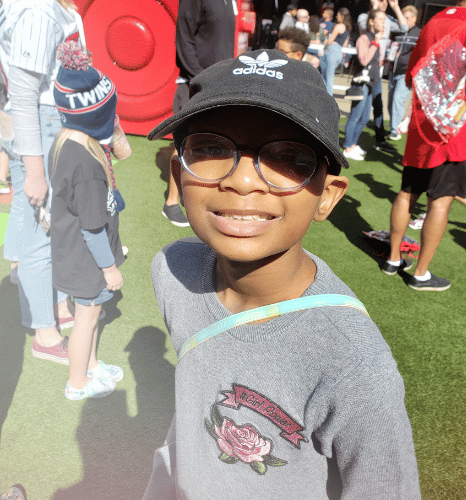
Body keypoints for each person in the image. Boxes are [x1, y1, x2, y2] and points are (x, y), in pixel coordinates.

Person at [142, 48, 421, 499]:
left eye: (290, 156)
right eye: (211, 148)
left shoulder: (355, 365)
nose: (244, 181)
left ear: (327, 197)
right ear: (178, 173)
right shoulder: (173, 271)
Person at [384, 0, 466, 290]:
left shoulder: (433, 21)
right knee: (441, 200)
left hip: (421, 127)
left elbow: (412, 78)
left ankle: (393, 259)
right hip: (453, 132)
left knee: (407, 192)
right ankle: (421, 273)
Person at [1, 0, 90, 364]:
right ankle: (45, 333)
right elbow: (23, 96)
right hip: (42, 120)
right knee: (44, 232)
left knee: (44, 225)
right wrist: (35, 171)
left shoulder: (45, 7)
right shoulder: (38, 10)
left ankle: (50, 302)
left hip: (44, 117)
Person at [50, 41, 125, 400]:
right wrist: (109, 268)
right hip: (87, 259)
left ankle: (91, 367)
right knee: (87, 320)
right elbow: (93, 228)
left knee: (91, 315)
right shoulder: (89, 168)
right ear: (99, 116)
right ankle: (77, 383)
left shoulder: (66, 142)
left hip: (72, 254)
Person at [161, 0, 236, 227]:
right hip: (194, 85)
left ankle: (210, 201)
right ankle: (171, 203)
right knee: (185, 142)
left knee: (218, 143)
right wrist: (200, 79)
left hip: (220, 84)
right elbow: (183, 40)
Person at [358, 0, 408, 153]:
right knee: (361, 107)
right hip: (366, 69)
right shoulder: (363, 17)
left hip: (378, 68)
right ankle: (350, 144)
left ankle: (378, 139)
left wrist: (396, 7)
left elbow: (404, 27)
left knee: (377, 105)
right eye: (381, 0)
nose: (384, 2)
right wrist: (374, 8)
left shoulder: (388, 19)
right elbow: (365, 27)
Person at [343, 9, 385, 161]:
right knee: (355, 117)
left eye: (384, 20)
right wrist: (376, 43)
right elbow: (363, 60)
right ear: (371, 21)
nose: (383, 22)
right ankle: (347, 147)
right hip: (361, 83)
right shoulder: (365, 38)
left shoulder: (374, 38)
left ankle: (353, 144)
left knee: (364, 118)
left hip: (370, 83)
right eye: (380, 19)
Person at [387, 5, 420, 141]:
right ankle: (397, 125)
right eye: (403, 17)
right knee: (391, 102)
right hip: (392, 71)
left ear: (414, 18)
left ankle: (395, 130)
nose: (404, 20)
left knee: (397, 99)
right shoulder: (399, 31)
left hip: (406, 73)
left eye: (407, 18)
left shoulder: (418, 33)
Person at [321, 7, 352, 96]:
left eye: (338, 15)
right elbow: (345, 45)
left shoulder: (339, 26)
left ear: (342, 16)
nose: (336, 17)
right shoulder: (347, 28)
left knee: (327, 77)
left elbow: (331, 39)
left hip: (332, 50)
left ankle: (327, 98)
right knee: (329, 76)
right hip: (338, 53)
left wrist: (324, 46)